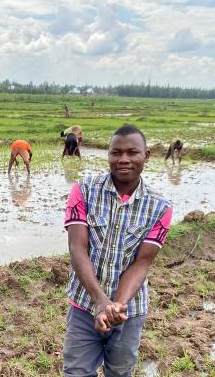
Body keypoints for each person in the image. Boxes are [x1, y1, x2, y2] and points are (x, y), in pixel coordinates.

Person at [62, 124, 173, 377]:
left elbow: (141, 263)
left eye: (132, 152)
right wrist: (99, 301)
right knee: (76, 372)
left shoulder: (161, 208)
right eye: (116, 153)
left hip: (129, 312)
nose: (123, 159)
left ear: (146, 156)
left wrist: (116, 306)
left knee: (120, 372)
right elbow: (77, 247)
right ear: (109, 155)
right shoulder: (83, 190)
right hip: (84, 305)